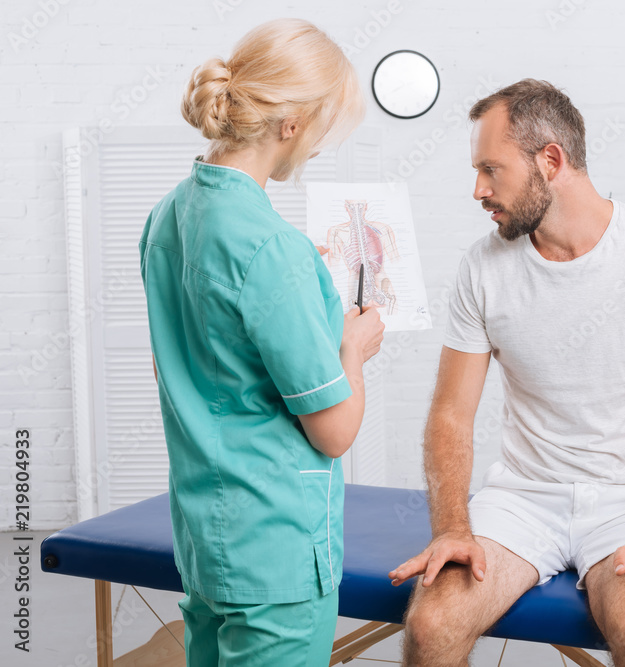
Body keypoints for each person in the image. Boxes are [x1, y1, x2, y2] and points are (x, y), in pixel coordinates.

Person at [389, 79, 625, 667]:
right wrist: (452, 527)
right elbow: (450, 413)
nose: (478, 190)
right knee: (431, 624)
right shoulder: (482, 266)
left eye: (491, 170)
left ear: (550, 160)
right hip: (523, 497)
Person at [138, 19, 383, 666]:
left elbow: (198, 363)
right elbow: (334, 431)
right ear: (291, 124)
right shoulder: (274, 248)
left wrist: (302, 306)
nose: (323, 144)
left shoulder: (167, 215)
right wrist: (353, 346)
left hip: (206, 540)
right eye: (325, 126)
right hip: (276, 553)